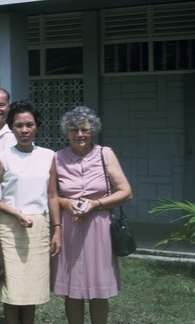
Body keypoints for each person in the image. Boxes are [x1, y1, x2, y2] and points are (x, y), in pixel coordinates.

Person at [51, 106, 133, 324]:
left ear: (93, 130)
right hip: (69, 225)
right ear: (66, 132)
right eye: (74, 130)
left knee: (98, 286)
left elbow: (126, 192)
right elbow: (49, 196)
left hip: (99, 225)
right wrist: (66, 202)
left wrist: (96, 203)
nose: (79, 134)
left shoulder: (105, 154)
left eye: (84, 129)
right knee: (71, 287)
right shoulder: (57, 158)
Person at [0, 100, 61, 324]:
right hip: (10, 227)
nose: (24, 130)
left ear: (37, 126)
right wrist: (15, 212)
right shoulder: (3, 157)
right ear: (11, 127)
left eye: (29, 125)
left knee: (32, 291)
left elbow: (52, 195)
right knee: (13, 291)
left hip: (38, 228)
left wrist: (57, 228)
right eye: (18, 125)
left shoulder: (48, 155)